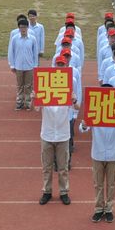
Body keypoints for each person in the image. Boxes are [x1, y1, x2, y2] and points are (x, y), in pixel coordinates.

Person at [79, 84, 115, 223]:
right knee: (98, 183)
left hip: (113, 154)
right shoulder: (94, 110)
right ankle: (98, 209)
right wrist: (83, 124)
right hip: (98, 153)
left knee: (112, 184)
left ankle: (109, 209)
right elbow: (83, 128)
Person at [39, 63, 79, 206]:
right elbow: (37, 107)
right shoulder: (44, 88)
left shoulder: (68, 89)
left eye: (63, 65)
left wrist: (74, 100)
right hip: (47, 134)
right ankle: (47, 191)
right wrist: (34, 97)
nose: (60, 68)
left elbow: (78, 107)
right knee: (47, 166)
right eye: (58, 65)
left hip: (62, 134)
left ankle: (64, 192)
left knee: (63, 167)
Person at [8, 18, 38, 110]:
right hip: (18, 66)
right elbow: (11, 52)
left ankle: (28, 102)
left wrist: (35, 65)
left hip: (29, 66)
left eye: (24, 27)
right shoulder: (15, 38)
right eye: (21, 27)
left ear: (28, 27)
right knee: (20, 85)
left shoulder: (32, 39)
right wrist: (12, 65)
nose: (23, 29)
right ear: (19, 28)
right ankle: (19, 102)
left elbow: (35, 53)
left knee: (28, 85)